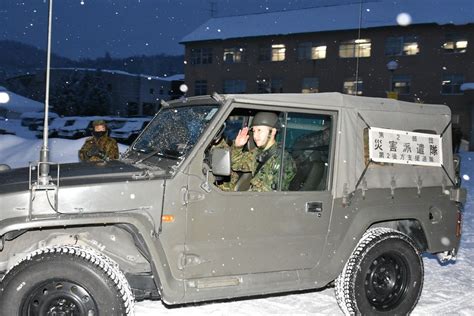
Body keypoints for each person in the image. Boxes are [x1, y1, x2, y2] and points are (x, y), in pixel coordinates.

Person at [231, 112, 296, 192]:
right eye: (254, 131)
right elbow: (236, 165)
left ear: (273, 132)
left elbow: (273, 196)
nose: (255, 136)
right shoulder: (258, 152)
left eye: (259, 130)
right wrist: (238, 147)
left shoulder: (283, 160)